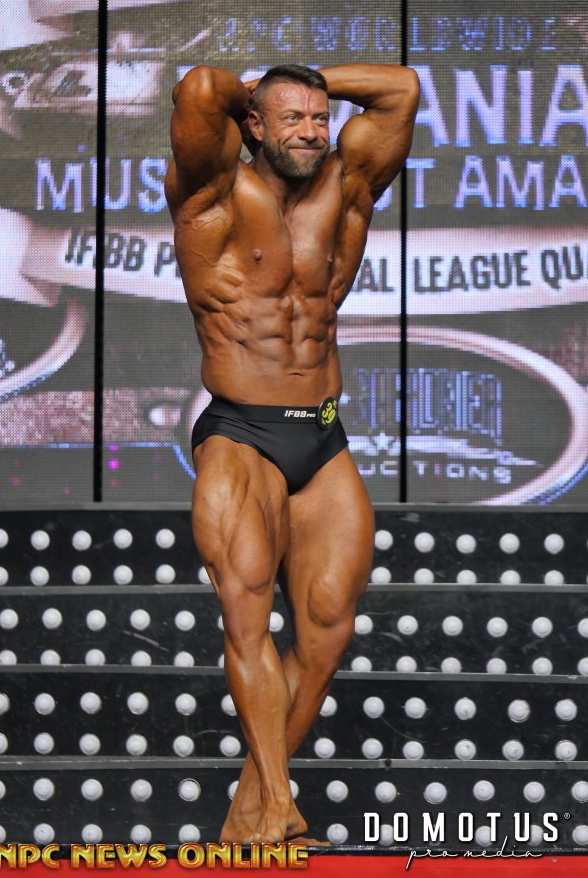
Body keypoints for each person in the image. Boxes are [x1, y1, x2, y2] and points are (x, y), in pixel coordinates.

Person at [165, 61, 419, 844]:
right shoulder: (211, 195)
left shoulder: (349, 185)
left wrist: (310, 83)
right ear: (253, 125)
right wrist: (260, 89)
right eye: (292, 118)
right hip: (242, 433)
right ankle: (280, 806)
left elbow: (402, 90)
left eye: (318, 118)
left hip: (322, 434)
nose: (311, 132)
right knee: (247, 619)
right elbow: (200, 87)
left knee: (326, 629)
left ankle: (249, 812)